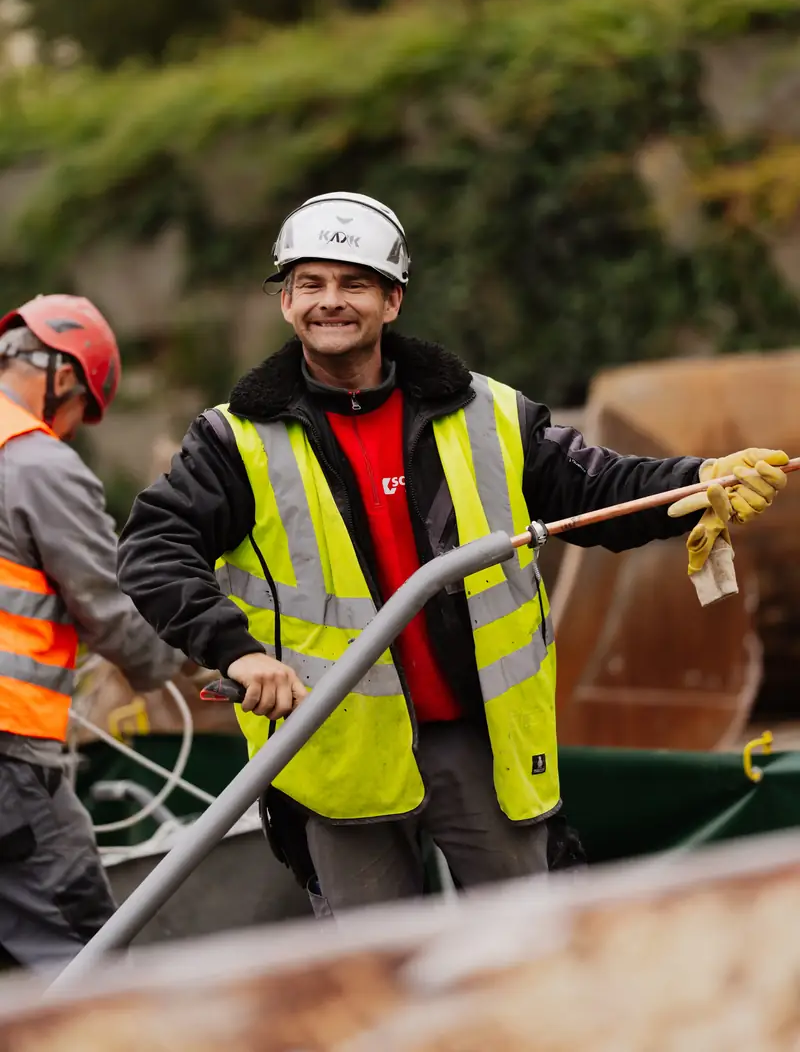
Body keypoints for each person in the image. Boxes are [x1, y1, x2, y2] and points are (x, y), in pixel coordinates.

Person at [117, 192, 788, 915]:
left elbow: (596, 488)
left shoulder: (485, 411)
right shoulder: (234, 440)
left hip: (480, 741)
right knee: (379, 968)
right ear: (286, 302)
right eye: (310, 283)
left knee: (526, 942)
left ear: (392, 300)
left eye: (354, 283)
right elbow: (153, 548)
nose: (330, 301)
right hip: (338, 751)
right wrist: (237, 651)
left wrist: (699, 480)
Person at [0, 294, 186, 969]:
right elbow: (109, 604)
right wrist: (174, 659)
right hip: (10, 755)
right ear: (65, 377)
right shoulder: (37, 465)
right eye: (82, 409)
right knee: (87, 962)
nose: (74, 428)